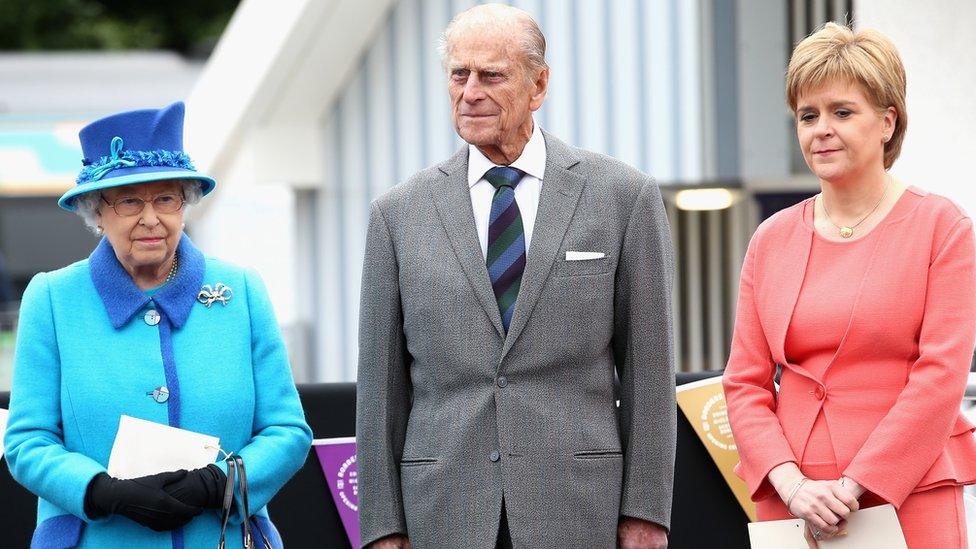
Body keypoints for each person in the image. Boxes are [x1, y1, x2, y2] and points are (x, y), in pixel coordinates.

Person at [356, 4, 676, 549]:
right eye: (459, 74)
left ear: (539, 84)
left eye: (491, 75)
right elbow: (380, 386)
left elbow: (648, 371)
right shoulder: (398, 214)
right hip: (444, 509)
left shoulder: (623, 197)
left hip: (580, 509)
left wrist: (646, 513)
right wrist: (383, 527)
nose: (470, 91)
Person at [3, 102, 312, 548]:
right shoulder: (52, 299)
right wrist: (101, 491)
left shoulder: (241, 290)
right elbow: (28, 442)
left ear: (184, 205)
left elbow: (288, 431)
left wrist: (217, 484)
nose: (151, 219)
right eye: (129, 201)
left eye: (166, 198)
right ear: (97, 212)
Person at [723, 22, 976, 548]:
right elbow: (744, 384)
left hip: (907, 490)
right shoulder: (770, 239)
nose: (821, 129)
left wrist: (856, 485)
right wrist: (792, 485)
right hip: (793, 499)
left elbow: (941, 375)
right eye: (807, 116)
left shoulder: (942, 227)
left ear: (887, 122)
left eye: (842, 112)